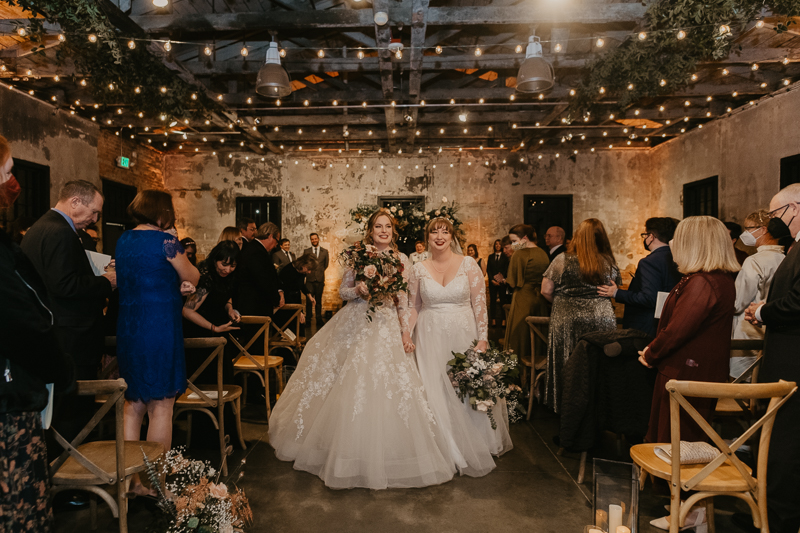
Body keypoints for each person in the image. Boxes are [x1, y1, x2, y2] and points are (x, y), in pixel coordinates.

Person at [268, 208, 455, 489]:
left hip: (387, 325)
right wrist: (358, 291)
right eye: (378, 226)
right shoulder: (359, 255)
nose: (383, 231)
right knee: (347, 381)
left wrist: (406, 333)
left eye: (388, 227)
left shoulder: (401, 258)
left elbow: (403, 299)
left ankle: (388, 452)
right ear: (371, 230)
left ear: (393, 231)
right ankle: (342, 451)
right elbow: (343, 291)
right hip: (357, 321)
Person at [0, 135, 73, 532]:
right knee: (17, 504)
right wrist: (59, 370)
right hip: (8, 398)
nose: (15, 184)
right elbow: (22, 320)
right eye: (9, 172)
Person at [407, 216, 512, 470]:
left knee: (462, 385)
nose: (439, 236)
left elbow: (480, 304)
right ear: (427, 238)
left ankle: (472, 442)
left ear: (452, 237)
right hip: (429, 335)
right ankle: (443, 445)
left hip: (463, 333)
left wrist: (484, 338)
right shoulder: (419, 268)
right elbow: (414, 306)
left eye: (444, 232)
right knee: (434, 387)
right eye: (434, 233)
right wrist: (406, 334)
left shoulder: (468, 264)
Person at [115, 189, 200, 496]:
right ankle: (158, 483)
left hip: (129, 327)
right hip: (160, 328)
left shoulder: (123, 240)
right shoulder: (167, 242)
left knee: (132, 406)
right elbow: (193, 274)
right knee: (162, 406)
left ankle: (130, 482)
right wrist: (184, 270)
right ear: (163, 212)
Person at [21, 180, 116, 444]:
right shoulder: (60, 232)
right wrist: (105, 282)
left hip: (56, 332)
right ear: (75, 202)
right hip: (72, 337)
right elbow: (64, 284)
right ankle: (73, 476)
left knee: (62, 412)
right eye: (94, 212)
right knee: (72, 414)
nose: (95, 219)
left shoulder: (40, 227)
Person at [743, 185, 800, 533]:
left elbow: (796, 302)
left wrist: (762, 311)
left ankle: (779, 517)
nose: (773, 222)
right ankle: (768, 510)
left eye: (776, 214)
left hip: (793, 359)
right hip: (784, 354)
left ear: (795, 208)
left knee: (785, 443)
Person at [541, 218, 621, 414]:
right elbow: (615, 288)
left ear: (577, 237)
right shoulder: (608, 261)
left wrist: (564, 304)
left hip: (566, 319)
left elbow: (545, 290)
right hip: (601, 318)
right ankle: (598, 409)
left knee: (567, 363)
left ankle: (566, 409)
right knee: (598, 365)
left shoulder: (562, 260)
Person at [597, 218, 681, 338]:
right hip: (669, 321)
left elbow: (648, 298)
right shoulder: (677, 258)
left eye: (645, 235)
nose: (644, 238)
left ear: (651, 237)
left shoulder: (649, 262)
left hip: (647, 326)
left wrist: (616, 293)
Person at [730, 210, 784, 379]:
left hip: (748, 329)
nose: (745, 234)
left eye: (748, 228)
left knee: (743, 382)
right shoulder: (785, 258)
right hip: (772, 326)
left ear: (763, 229)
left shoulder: (754, 261)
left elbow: (738, 302)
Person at [503, 224, 550, 361]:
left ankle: (516, 370)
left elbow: (512, 282)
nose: (512, 245)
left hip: (522, 298)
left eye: (514, 241)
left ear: (524, 239)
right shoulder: (543, 253)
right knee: (538, 334)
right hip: (539, 298)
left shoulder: (519, 254)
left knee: (519, 335)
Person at [182, 240, 241, 339]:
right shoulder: (206, 276)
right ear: (214, 260)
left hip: (218, 327)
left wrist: (230, 309)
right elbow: (187, 311)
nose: (228, 270)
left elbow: (225, 294)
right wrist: (214, 328)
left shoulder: (229, 275)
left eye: (233, 266)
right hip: (199, 333)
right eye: (224, 264)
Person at [236, 222, 284, 321]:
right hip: (254, 307)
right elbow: (263, 280)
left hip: (255, 305)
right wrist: (276, 299)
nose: (276, 245)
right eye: (277, 241)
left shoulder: (256, 249)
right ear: (270, 236)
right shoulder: (256, 252)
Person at [277, 253, 317, 341]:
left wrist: (309, 295)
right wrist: (297, 311)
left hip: (296, 302)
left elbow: (301, 285)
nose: (309, 272)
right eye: (309, 269)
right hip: (287, 305)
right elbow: (286, 292)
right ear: (303, 264)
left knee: (300, 328)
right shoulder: (288, 271)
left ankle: (298, 351)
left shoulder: (302, 272)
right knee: (290, 332)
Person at [303, 232, 329, 326]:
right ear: (310, 240)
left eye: (315, 238)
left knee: (318, 300)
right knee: (309, 301)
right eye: (312, 239)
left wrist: (319, 273)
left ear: (318, 239)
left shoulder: (324, 251)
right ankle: (308, 319)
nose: (314, 240)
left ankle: (319, 319)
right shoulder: (306, 251)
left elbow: (325, 265)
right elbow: (304, 264)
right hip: (309, 280)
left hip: (319, 279)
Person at [487, 238, 509, 328]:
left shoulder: (505, 257)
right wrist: (492, 279)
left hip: (502, 283)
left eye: (499, 244)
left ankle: (504, 320)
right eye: (496, 244)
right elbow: (489, 269)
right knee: (492, 301)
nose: (497, 246)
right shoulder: (491, 256)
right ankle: (493, 320)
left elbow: (506, 269)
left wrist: (501, 280)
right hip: (492, 283)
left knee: (503, 301)